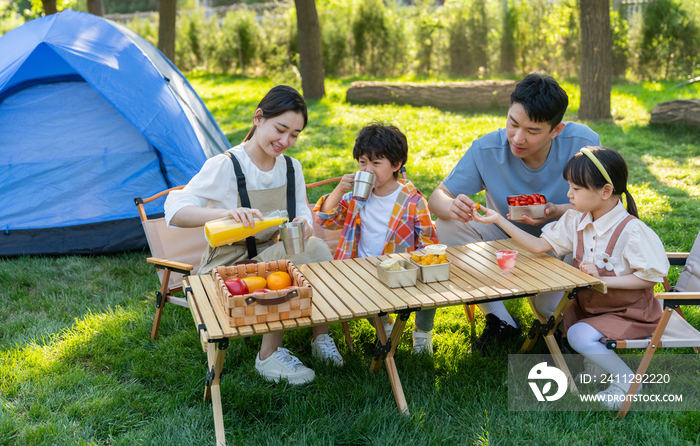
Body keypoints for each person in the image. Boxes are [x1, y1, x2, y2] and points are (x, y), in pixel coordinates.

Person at [164, 85, 342, 385]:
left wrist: (304, 220)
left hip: (266, 261)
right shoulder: (226, 165)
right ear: (259, 118)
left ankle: (320, 336)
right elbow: (174, 211)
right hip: (224, 269)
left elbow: (301, 209)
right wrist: (224, 214)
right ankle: (268, 357)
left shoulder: (290, 168)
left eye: (295, 135)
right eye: (280, 129)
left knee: (313, 246)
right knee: (300, 255)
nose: (285, 141)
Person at [471, 146, 669, 409]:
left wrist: (604, 282)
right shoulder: (577, 219)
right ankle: (598, 360)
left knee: (577, 335)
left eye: (576, 189)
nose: (568, 194)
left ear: (605, 191)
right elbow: (540, 246)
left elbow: (650, 278)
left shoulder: (632, 231)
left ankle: (628, 382)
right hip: (592, 307)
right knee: (542, 303)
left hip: (629, 312)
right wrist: (498, 220)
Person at [428, 72, 601, 354]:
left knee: (550, 305)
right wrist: (451, 205)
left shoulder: (583, 142)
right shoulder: (487, 148)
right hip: (504, 241)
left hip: (562, 241)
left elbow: (608, 205)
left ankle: (560, 319)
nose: (518, 138)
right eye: (513, 123)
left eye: (533, 131)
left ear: (556, 130)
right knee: (447, 224)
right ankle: (500, 318)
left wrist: (557, 210)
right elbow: (437, 197)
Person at [313, 124, 439, 354]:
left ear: (396, 165)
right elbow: (325, 219)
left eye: (376, 163)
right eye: (363, 162)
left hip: (403, 269)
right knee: (355, 292)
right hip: (364, 269)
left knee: (433, 279)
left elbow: (427, 241)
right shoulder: (357, 197)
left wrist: (421, 265)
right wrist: (340, 190)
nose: (368, 169)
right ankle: (387, 327)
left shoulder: (412, 200)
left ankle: (422, 332)